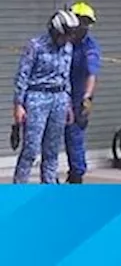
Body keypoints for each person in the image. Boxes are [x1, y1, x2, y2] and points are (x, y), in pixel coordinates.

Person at [13, 10, 79, 184]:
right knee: (31, 149)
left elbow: (66, 76)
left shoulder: (68, 48)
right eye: (65, 35)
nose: (68, 39)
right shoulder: (35, 46)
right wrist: (19, 104)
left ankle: (49, 190)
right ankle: (18, 190)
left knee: (52, 151)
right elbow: (23, 75)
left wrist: (68, 104)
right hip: (37, 97)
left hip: (59, 98)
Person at [65, 1, 101, 184]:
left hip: (77, 98)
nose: (84, 27)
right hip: (55, 96)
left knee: (75, 138)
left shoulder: (89, 46)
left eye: (87, 23)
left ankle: (76, 177)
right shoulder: (60, 40)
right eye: (81, 22)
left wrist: (87, 98)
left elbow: (91, 73)